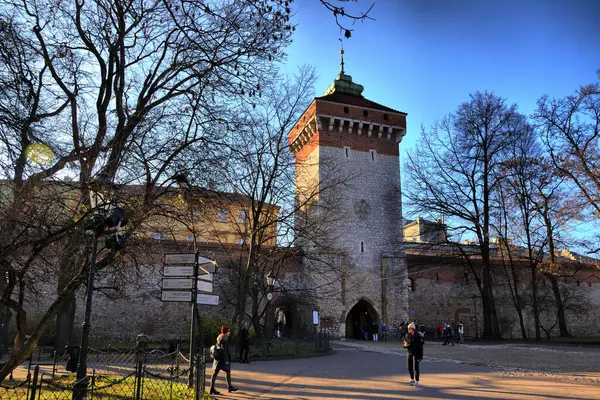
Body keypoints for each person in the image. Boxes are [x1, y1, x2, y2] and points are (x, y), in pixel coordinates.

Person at [209, 325, 239, 395]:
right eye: (228, 331)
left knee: (215, 373)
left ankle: (212, 388)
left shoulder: (220, 337)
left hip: (218, 358)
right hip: (222, 359)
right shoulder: (224, 338)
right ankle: (229, 387)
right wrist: (226, 360)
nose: (230, 333)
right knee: (227, 371)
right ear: (225, 332)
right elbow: (224, 350)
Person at [403, 322, 424, 387]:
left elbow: (420, 347)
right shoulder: (407, 335)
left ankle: (417, 381)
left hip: (417, 353)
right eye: (408, 329)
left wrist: (421, 356)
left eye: (410, 329)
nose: (409, 330)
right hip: (410, 352)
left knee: (416, 368)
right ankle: (412, 379)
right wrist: (405, 345)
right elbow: (405, 343)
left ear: (413, 329)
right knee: (409, 367)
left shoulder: (418, 336)